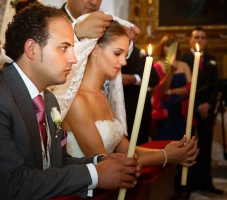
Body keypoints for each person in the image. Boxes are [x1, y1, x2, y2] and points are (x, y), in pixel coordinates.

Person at [0, 4, 141, 200]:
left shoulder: (50, 99)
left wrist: (101, 162)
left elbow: (56, 163)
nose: (73, 58)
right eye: (64, 48)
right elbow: (13, 184)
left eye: (72, 47)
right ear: (31, 49)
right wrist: (95, 175)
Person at [52, 18, 198, 169]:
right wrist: (165, 156)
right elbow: (105, 162)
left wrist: (166, 151)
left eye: (125, 55)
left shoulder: (102, 96)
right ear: (95, 49)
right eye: (117, 53)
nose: (123, 62)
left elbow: (126, 150)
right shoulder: (77, 101)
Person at [181, 27, 222, 194]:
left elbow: (215, 86)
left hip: (207, 109)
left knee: (205, 147)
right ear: (191, 40)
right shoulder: (184, 59)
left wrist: (208, 105)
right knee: (189, 145)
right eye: (196, 37)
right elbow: (186, 85)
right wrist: (197, 105)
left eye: (203, 37)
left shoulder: (211, 60)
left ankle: (206, 182)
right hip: (190, 108)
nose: (199, 39)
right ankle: (188, 183)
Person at [121, 26, 159, 145]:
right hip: (119, 106)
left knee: (140, 142)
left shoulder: (142, 55)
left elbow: (154, 78)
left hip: (139, 105)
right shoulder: (110, 51)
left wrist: (133, 78)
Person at [151, 35, 192, 141]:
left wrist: (171, 91)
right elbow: (161, 90)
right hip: (166, 111)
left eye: (173, 46)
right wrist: (171, 71)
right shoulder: (156, 67)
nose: (170, 49)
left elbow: (190, 87)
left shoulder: (184, 65)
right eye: (167, 45)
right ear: (162, 47)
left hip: (182, 110)